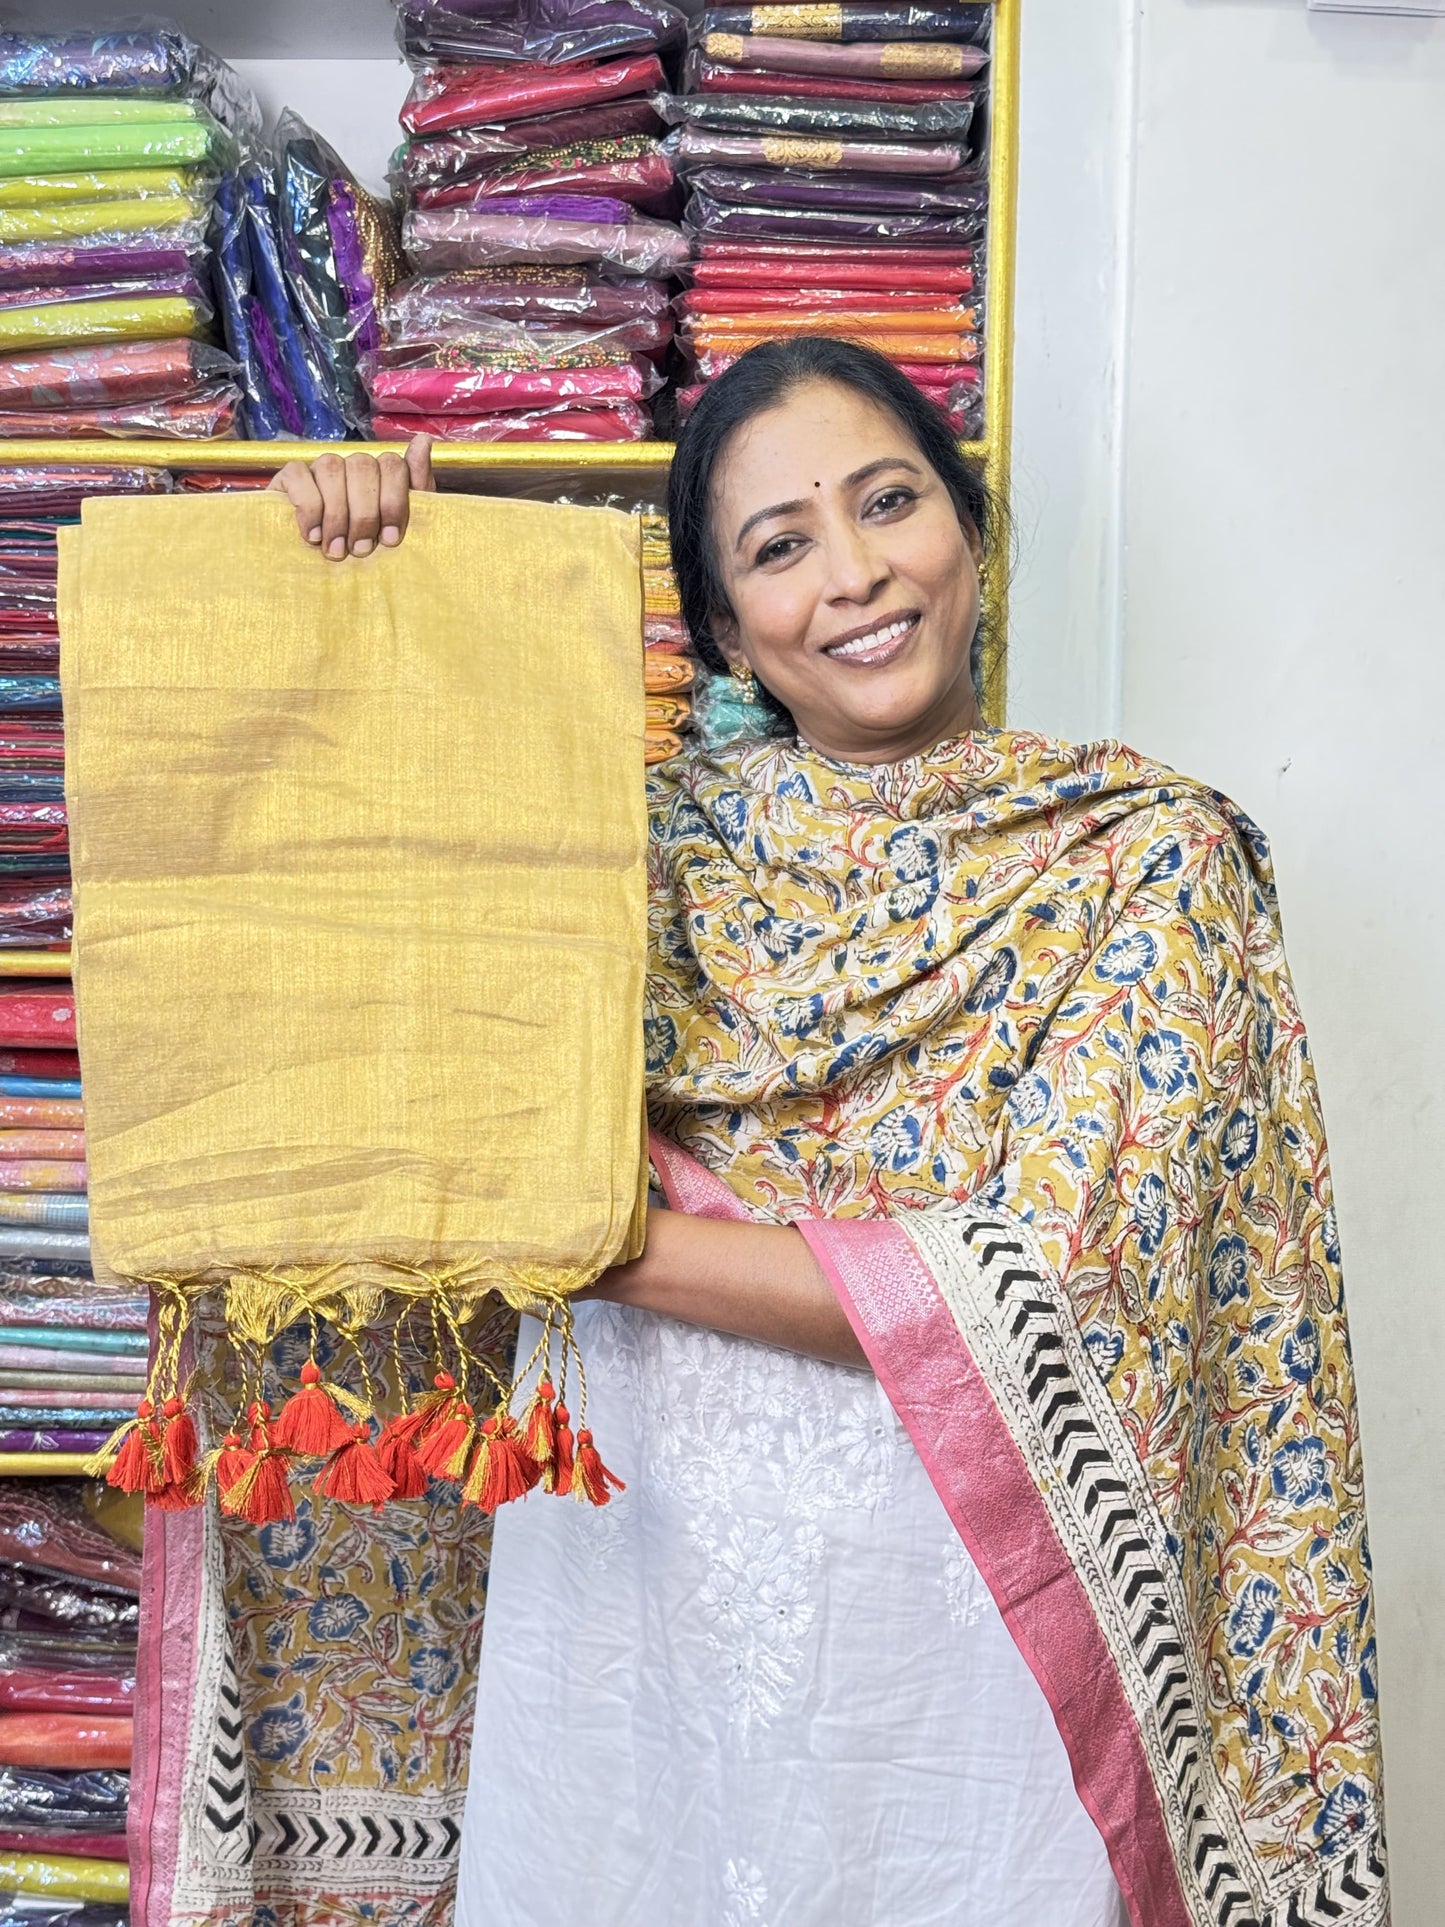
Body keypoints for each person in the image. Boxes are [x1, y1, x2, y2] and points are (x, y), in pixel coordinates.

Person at [269, 339, 1385, 1927]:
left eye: (888, 503)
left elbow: (1046, 1290)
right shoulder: (619, 858)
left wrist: (601, 1244)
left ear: (968, 531)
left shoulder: (1144, 865)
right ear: (723, 629)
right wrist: (353, 585)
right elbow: (338, 965)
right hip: (639, 1621)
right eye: (778, 548)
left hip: (986, 1659)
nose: (855, 575)